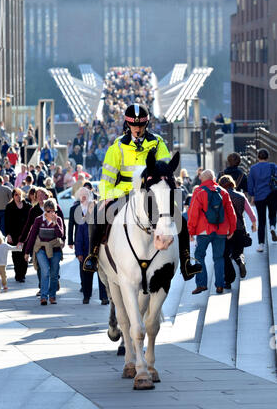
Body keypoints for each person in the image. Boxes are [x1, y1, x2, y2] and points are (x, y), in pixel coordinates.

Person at [83, 103, 202, 281]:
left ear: (146, 124)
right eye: (134, 125)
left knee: (179, 219)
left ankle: (186, 261)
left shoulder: (157, 142)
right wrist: (107, 197)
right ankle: (92, 256)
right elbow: (106, 178)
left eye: (141, 125)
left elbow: (165, 169)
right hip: (124, 192)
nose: (137, 129)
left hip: (153, 192)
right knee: (100, 215)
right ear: (128, 124)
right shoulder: (117, 147)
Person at [187, 169, 237, 294]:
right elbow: (231, 213)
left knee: (199, 256)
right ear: (214, 179)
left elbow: (193, 213)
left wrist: (191, 231)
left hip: (203, 230)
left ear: (202, 179)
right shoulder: (224, 192)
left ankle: (202, 284)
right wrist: (232, 228)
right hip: (221, 230)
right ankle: (219, 285)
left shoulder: (199, 192)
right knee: (219, 258)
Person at [218, 175, 257, 288]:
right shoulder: (241, 196)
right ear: (233, 184)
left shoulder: (220, 196)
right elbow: (251, 213)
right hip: (240, 228)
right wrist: (254, 224)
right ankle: (240, 261)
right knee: (238, 252)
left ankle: (229, 280)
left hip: (226, 230)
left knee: (225, 255)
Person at [24, 198, 64, 305]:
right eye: (48, 211)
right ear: (44, 211)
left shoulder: (58, 220)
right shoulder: (38, 220)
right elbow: (32, 236)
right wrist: (27, 252)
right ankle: (43, 296)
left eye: (52, 211)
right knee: (45, 271)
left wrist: (55, 223)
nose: (51, 213)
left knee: (54, 274)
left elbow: (61, 235)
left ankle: (52, 296)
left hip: (55, 249)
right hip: (41, 249)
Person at [74, 187, 109, 304]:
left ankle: (104, 297)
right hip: (85, 253)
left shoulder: (101, 222)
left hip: (99, 254)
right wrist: (78, 253)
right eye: (90, 207)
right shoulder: (83, 222)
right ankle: (86, 296)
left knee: (102, 277)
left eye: (94, 207)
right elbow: (78, 239)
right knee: (86, 277)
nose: (92, 209)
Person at [248, 148, 277, 252]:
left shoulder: (253, 168)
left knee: (261, 220)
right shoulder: (273, 166)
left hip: (259, 196)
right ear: (268, 157)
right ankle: (273, 227)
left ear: (258, 157)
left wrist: (252, 196)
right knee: (273, 213)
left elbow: (250, 184)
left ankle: (261, 245)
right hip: (272, 193)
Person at [5, 188, 32, 283]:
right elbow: (7, 222)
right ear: (13, 196)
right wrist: (8, 234)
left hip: (26, 234)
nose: (18, 196)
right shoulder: (9, 206)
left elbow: (32, 220)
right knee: (16, 255)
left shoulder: (28, 206)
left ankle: (23, 274)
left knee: (25, 254)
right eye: (16, 194)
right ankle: (17, 273)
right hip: (14, 234)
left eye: (19, 194)